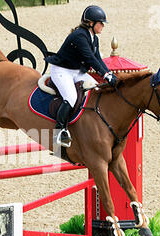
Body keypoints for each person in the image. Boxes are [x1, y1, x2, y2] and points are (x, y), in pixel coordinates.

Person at [45, 5, 118, 147]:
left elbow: (98, 60)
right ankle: (60, 131)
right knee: (71, 97)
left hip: (76, 71)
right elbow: (90, 58)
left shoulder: (93, 38)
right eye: (100, 23)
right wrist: (105, 75)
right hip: (61, 71)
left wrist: (108, 74)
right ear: (91, 23)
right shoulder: (79, 36)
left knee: (95, 88)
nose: (103, 26)